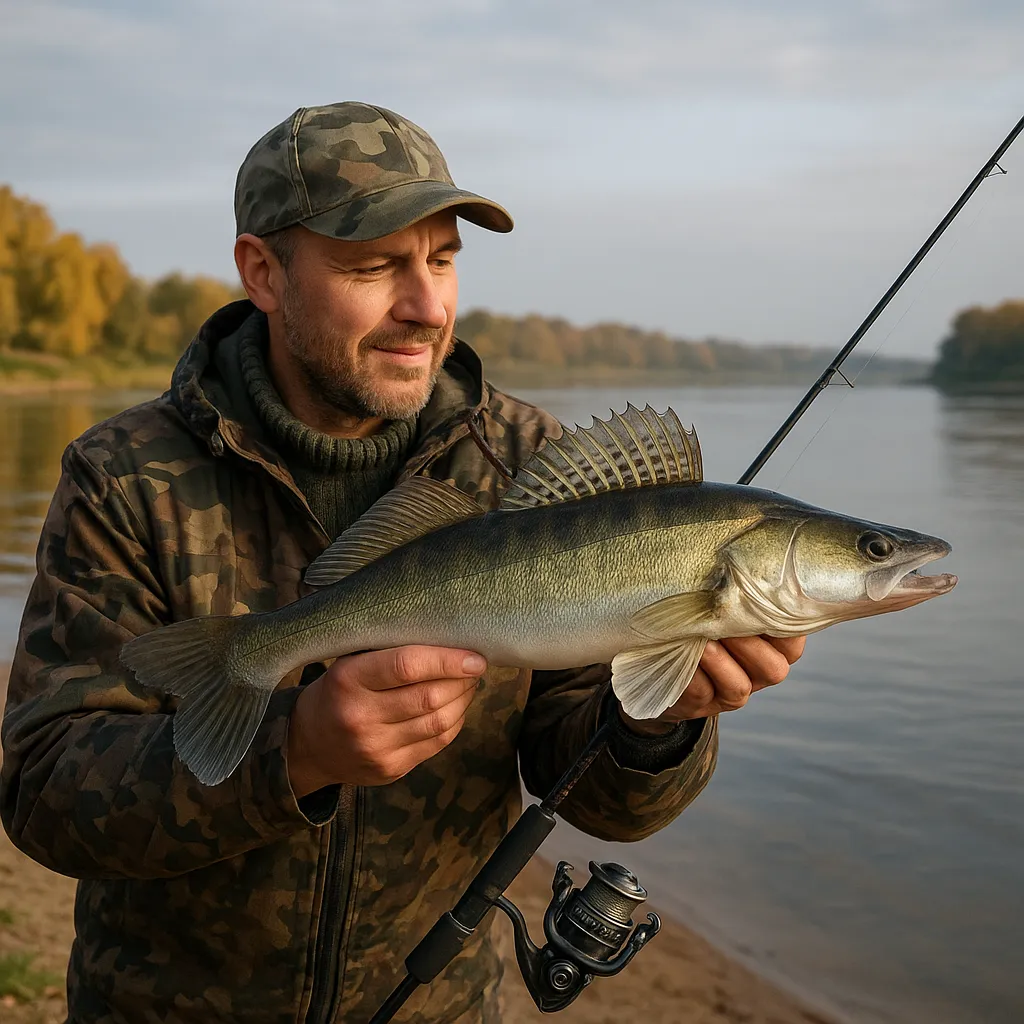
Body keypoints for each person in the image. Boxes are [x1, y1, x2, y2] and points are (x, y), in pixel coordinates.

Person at [0, 102, 805, 1024]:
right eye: (374, 265)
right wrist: (294, 752)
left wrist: (660, 723)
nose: (427, 306)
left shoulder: (533, 470)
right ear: (264, 272)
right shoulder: (125, 477)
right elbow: (45, 795)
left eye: (443, 259)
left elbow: (603, 802)